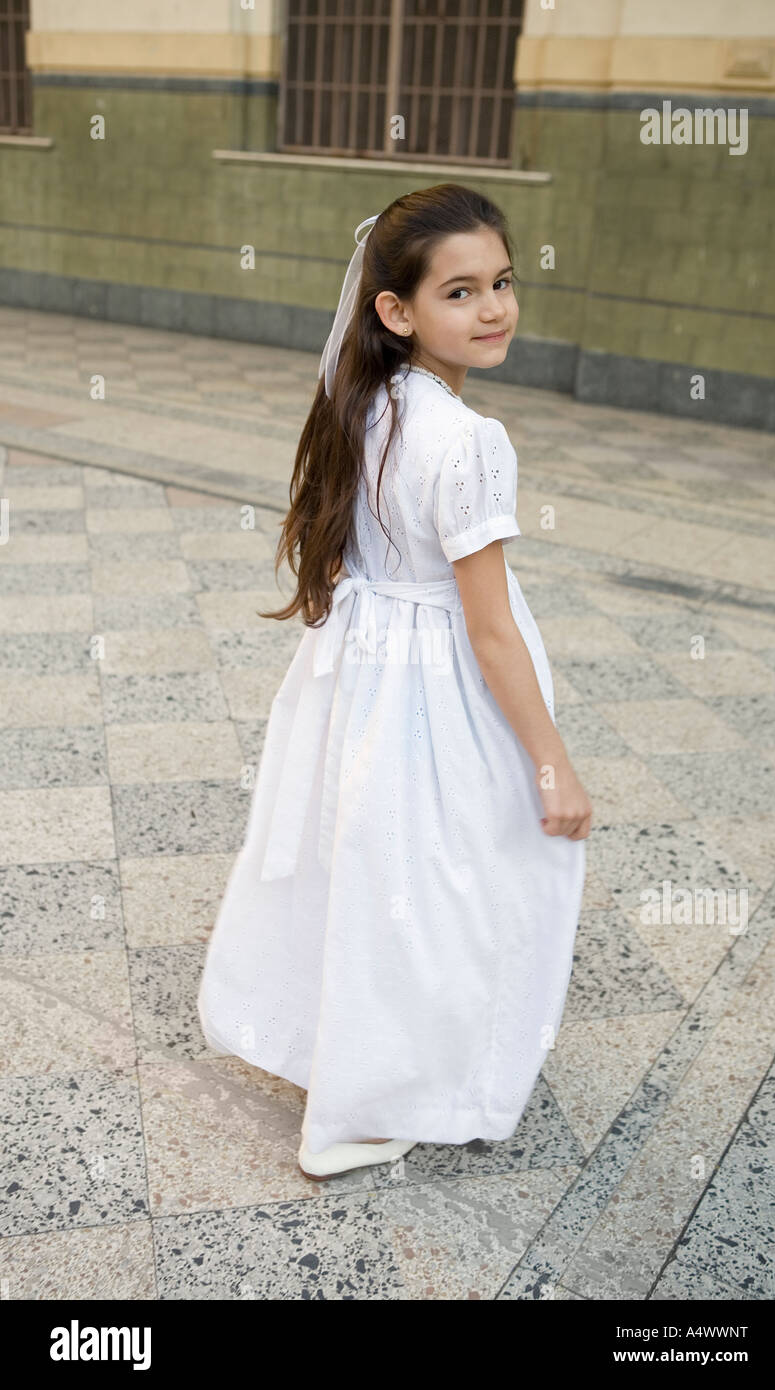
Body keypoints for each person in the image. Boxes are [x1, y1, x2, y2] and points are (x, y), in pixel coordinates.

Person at [197, 182, 592, 1182]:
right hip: (438, 685)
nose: (494, 308)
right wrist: (552, 761)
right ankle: (380, 1095)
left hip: (361, 677)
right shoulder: (469, 441)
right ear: (396, 309)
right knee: (460, 878)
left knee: (376, 872)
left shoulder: (362, 400)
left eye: (502, 282)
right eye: (459, 292)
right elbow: (492, 632)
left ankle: (338, 1052)